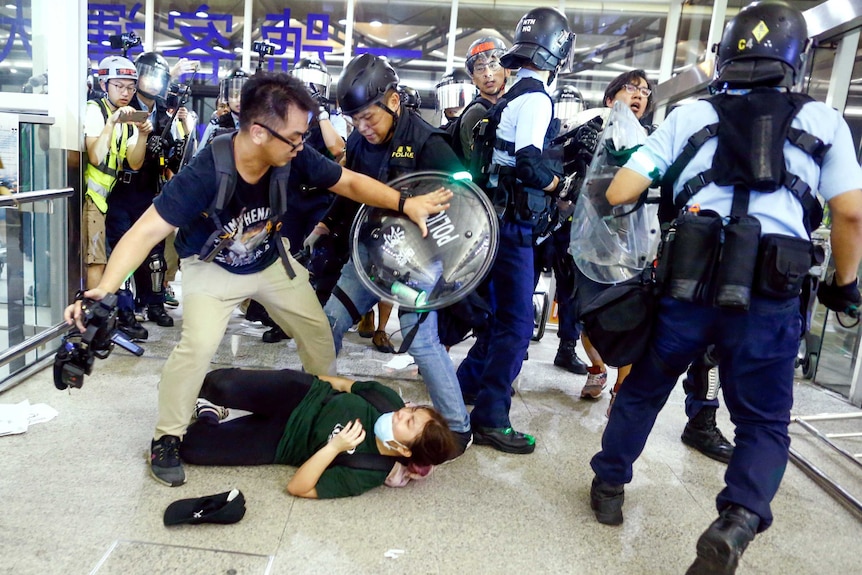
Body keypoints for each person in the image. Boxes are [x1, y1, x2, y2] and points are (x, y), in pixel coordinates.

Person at [65, 72, 452, 488]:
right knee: (195, 348)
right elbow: (145, 231)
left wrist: (405, 203)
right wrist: (104, 289)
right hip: (212, 267)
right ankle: (167, 437)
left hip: (270, 261)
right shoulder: (205, 172)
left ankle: (323, 408)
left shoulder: (292, 153)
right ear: (257, 132)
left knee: (318, 332)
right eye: (294, 137)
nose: (302, 145)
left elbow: (348, 182)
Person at [587, 3, 862, 574]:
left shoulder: (688, 117)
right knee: (762, 420)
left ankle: (610, 486)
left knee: (644, 390)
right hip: (771, 297)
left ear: (724, 58)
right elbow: (851, 216)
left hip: (687, 286)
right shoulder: (825, 121)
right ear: (796, 58)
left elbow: (619, 194)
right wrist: (845, 285)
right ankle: (737, 518)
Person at [314, 53, 473, 454]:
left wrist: (448, 270)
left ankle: (457, 427)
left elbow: (466, 206)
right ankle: (315, 398)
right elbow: (352, 190)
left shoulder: (430, 144)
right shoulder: (358, 142)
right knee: (328, 322)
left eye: (369, 117)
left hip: (420, 265)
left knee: (421, 343)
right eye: (355, 120)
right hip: (371, 256)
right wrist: (326, 225)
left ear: (394, 101)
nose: (362, 127)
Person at [457, 7, 574, 454]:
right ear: (558, 53)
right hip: (513, 225)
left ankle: (467, 385)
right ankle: (490, 417)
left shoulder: (510, 98)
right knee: (517, 325)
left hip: (495, 219)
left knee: (501, 317)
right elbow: (526, 162)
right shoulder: (538, 99)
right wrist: (559, 183)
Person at [180, 367, 459, 498]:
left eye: (409, 423)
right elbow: (340, 384)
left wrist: (334, 447)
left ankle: (210, 412)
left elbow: (299, 487)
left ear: (404, 449)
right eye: (411, 412)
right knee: (219, 384)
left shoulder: (369, 470)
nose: (402, 413)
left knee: (192, 447)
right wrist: (298, 380)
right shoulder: (386, 400)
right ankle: (219, 399)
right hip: (301, 395)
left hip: (284, 442)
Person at [106, 51, 181, 337]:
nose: (152, 82)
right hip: (122, 189)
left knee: (155, 253)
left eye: (157, 76)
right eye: (146, 75)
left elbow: (173, 153)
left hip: (150, 189)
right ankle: (124, 311)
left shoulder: (166, 111)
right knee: (122, 249)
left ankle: (155, 303)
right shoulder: (125, 105)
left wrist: (169, 152)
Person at [83, 56, 150, 294]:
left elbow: (134, 162)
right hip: (90, 197)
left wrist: (142, 135)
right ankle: (95, 321)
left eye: (130, 87)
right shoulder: (95, 111)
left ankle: (105, 318)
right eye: (119, 86)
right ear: (104, 85)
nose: (126, 92)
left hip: (106, 200)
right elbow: (95, 156)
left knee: (107, 259)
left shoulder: (129, 119)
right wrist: (111, 123)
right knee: (96, 261)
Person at [455, 36, 509, 165]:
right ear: (473, 78)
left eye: (493, 65)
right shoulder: (476, 113)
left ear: (507, 70)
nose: (487, 73)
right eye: (480, 68)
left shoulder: (511, 107)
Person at [197, 68, 249, 151]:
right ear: (226, 97)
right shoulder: (216, 125)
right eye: (234, 94)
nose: (238, 99)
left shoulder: (257, 125)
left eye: (243, 94)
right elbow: (198, 159)